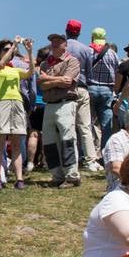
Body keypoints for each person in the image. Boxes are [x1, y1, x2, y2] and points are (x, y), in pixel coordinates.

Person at [0, 37, 34, 190]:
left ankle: (19, 179)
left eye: (10, 49)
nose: (9, 52)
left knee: (17, 144)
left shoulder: (15, 69)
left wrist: (30, 52)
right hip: (2, 103)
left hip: (17, 103)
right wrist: (14, 46)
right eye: (5, 49)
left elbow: (30, 72)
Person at [36, 33, 82, 187]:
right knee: (49, 141)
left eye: (58, 42)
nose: (54, 45)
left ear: (65, 45)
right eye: (52, 42)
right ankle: (57, 176)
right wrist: (58, 80)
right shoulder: (45, 64)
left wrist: (48, 80)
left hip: (66, 103)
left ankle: (72, 176)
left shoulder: (72, 61)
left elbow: (68, 82)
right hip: (49, 104)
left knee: (67, 140)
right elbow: (41, 85)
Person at [63, 19, 101, 172]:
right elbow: (90, 73)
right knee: (85, 126)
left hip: (65, 88)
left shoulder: (62, 48)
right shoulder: (86, 50)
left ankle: (73, 159)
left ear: (66, 31)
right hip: (82, 87)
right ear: (79, 33)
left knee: (69, 126)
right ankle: (91, 160)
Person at [88, 30, 123, 148]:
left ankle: (86, 154)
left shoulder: (88, 51)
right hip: (107, 89)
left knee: (86, 124)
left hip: (90, 88)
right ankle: (105, 152)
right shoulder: (112, 54)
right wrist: (115, 88)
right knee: (106, 125)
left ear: (92, 38)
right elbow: (119, 70)